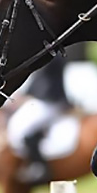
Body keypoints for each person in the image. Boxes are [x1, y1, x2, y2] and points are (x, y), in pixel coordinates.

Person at [6, 55, 71, 184]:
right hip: (45, 100)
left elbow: (42, 83)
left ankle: (39, 167)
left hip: (48, 102)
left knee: (23, 129)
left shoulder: (51, 55)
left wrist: (27, 96)